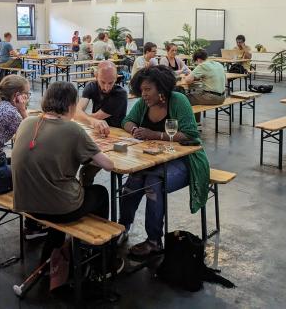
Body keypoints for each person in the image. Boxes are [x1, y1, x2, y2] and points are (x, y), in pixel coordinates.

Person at [12, 81, 117, 265]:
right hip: (58, 209)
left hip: (25, 203)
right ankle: (99, 256)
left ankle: (52, 255)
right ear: (71, 105)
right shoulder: (73, 130)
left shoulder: (27, 122)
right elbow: (108, 165)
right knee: (99, 193)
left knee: (55, 190)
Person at [119, 66, 204, 258]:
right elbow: (126, 120)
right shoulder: (144, 103)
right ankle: (122, 226)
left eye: (148, 89)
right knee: (133, 180)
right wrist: (134, 131)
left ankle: (154, 241)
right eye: (141, 90)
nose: (144, 94)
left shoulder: (178, 101)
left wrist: (155, 134)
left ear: (161, 89)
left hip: (184, 161)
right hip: (153, 160)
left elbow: (190, 134)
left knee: (152, 184)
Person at [75, 61, 128, 133]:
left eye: (111, 83)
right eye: (103, 82)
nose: (106, 87)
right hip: (97, 129)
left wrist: (82, 117)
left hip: (116, 131)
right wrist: (89, 119)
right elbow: (77, 111)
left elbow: (97, 117)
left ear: (116, 78)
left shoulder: (121, 94)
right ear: (96, 77)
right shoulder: (91, 86)